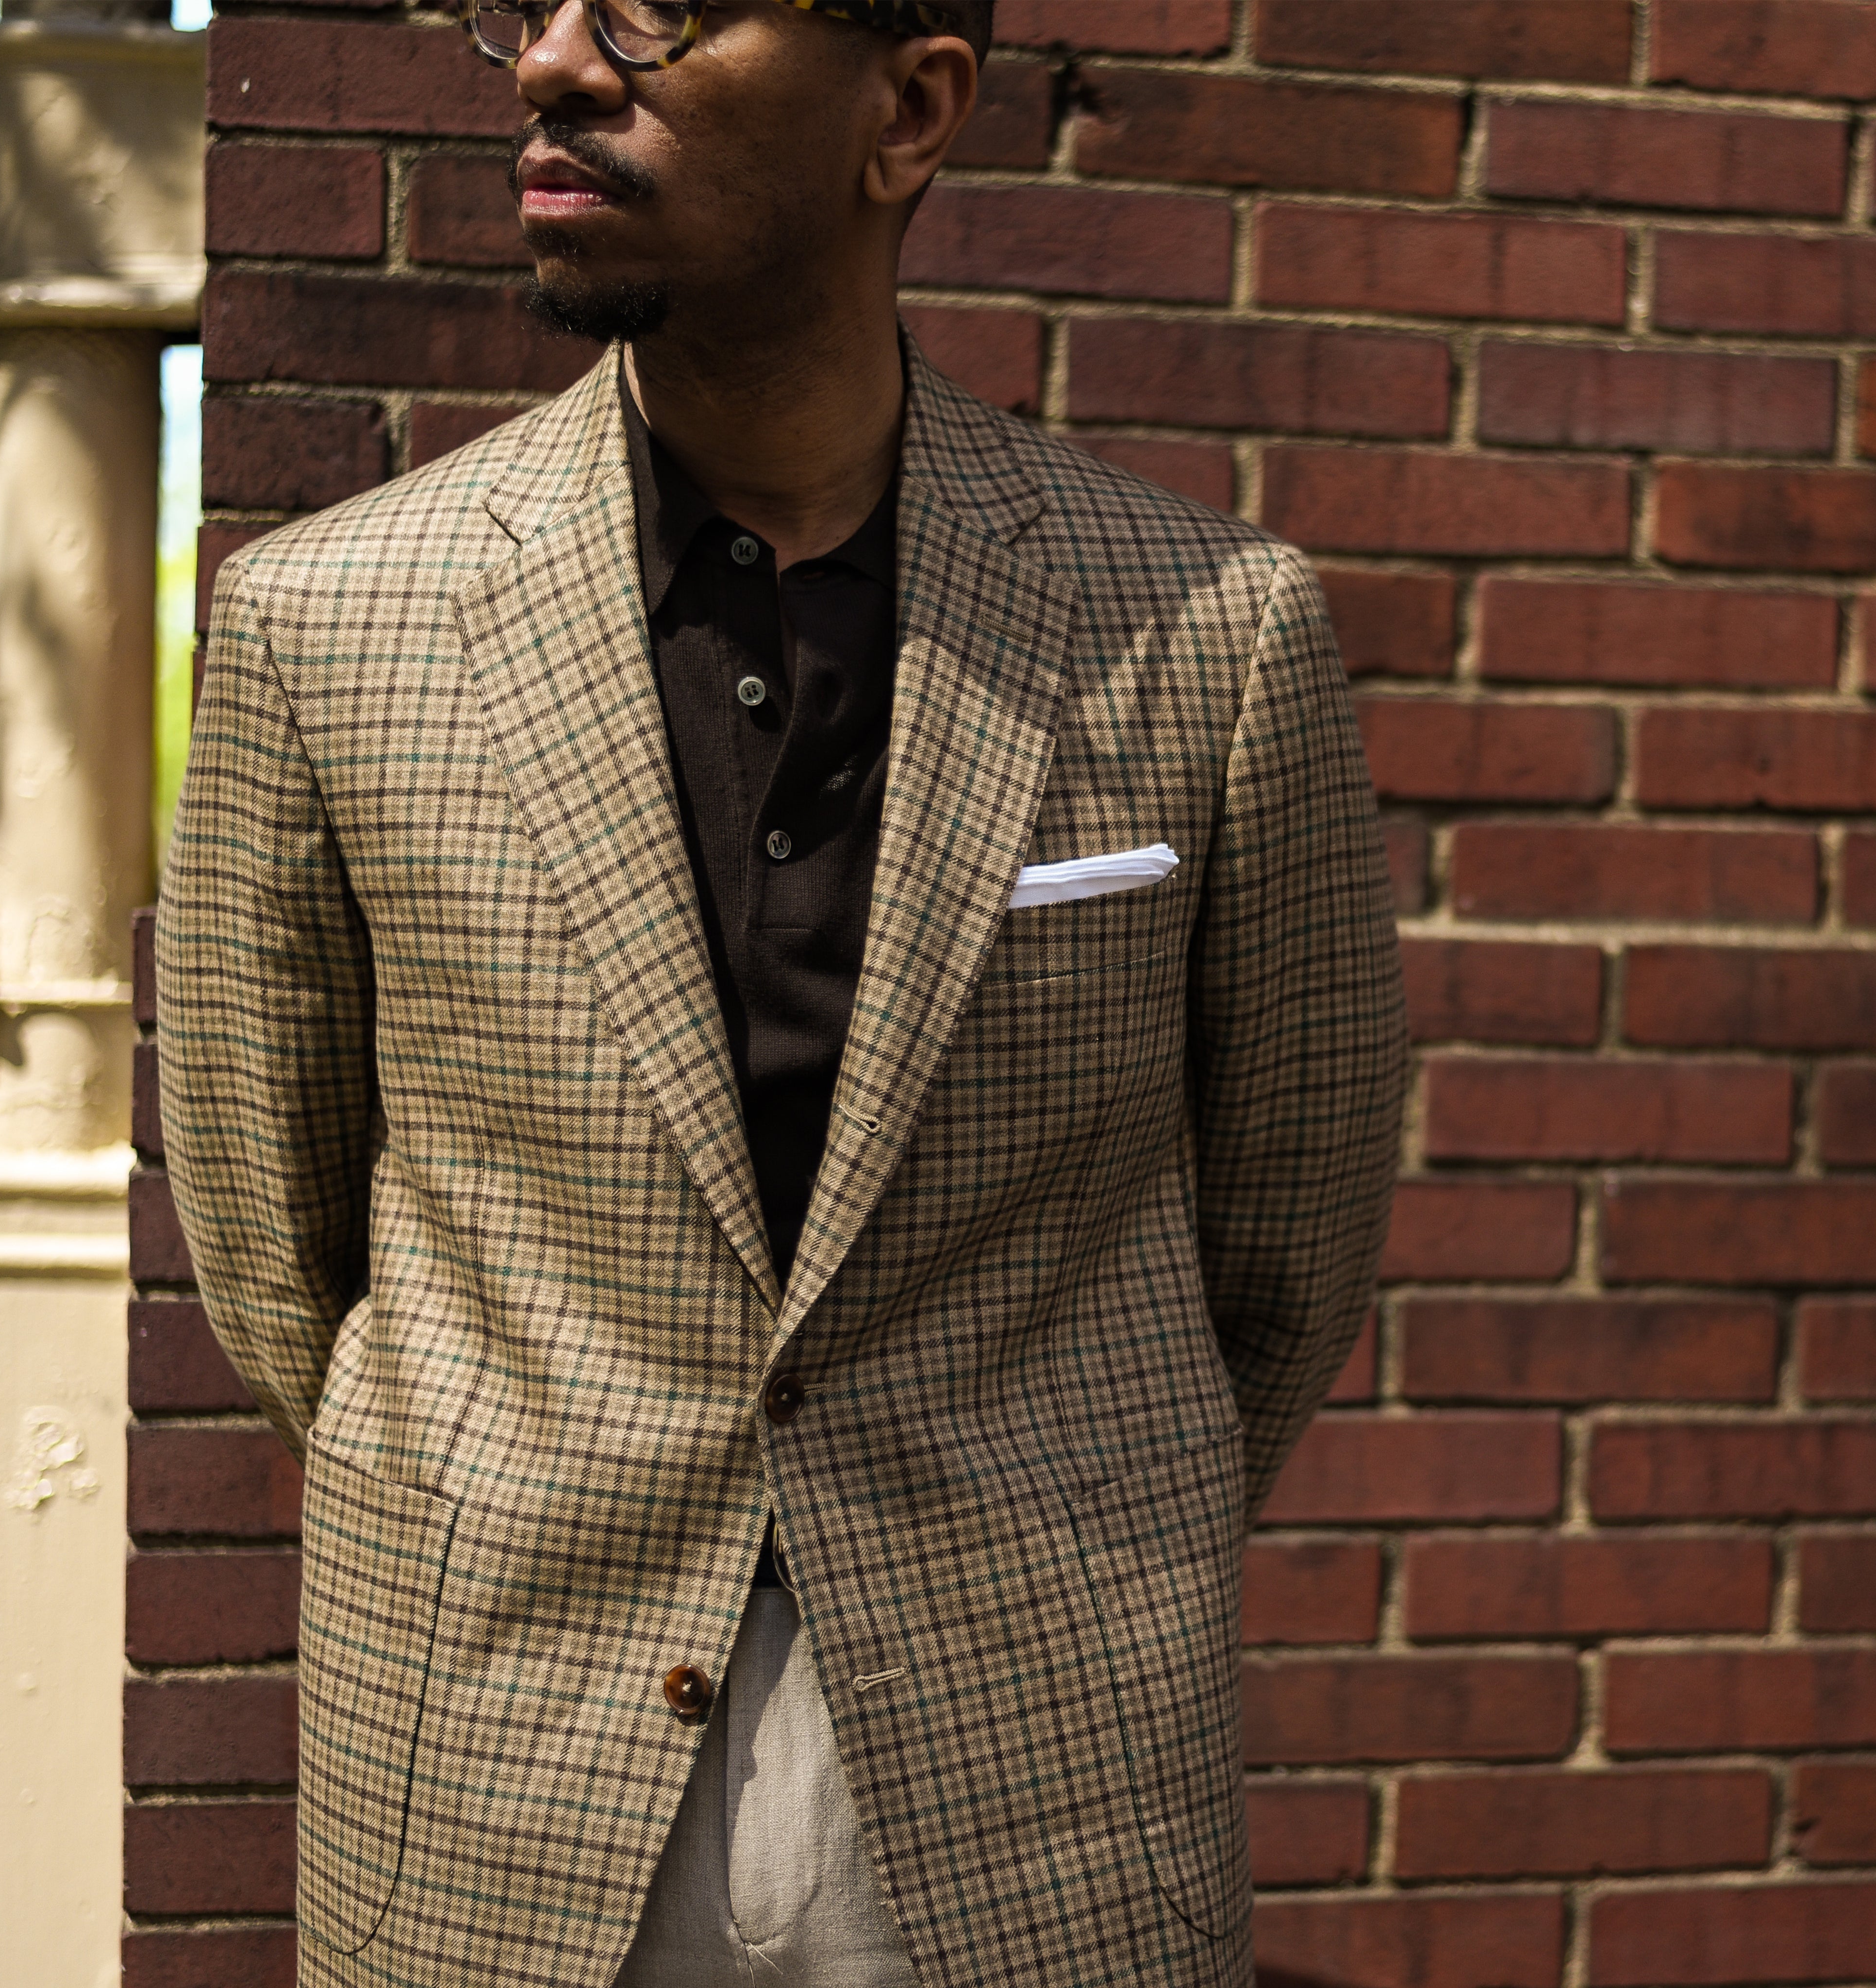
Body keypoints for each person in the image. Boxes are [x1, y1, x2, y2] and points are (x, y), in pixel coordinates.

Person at [156, 1, 1408, 1982]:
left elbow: (1289, 1233)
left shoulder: (1205, 633)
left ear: (909, 109)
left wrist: (1071, 1548)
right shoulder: (327, 625)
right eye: (534, 5)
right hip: (499, 1766)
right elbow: (269, 1230)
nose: (556, 63)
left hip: (1039, 1775)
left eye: (657, 6)